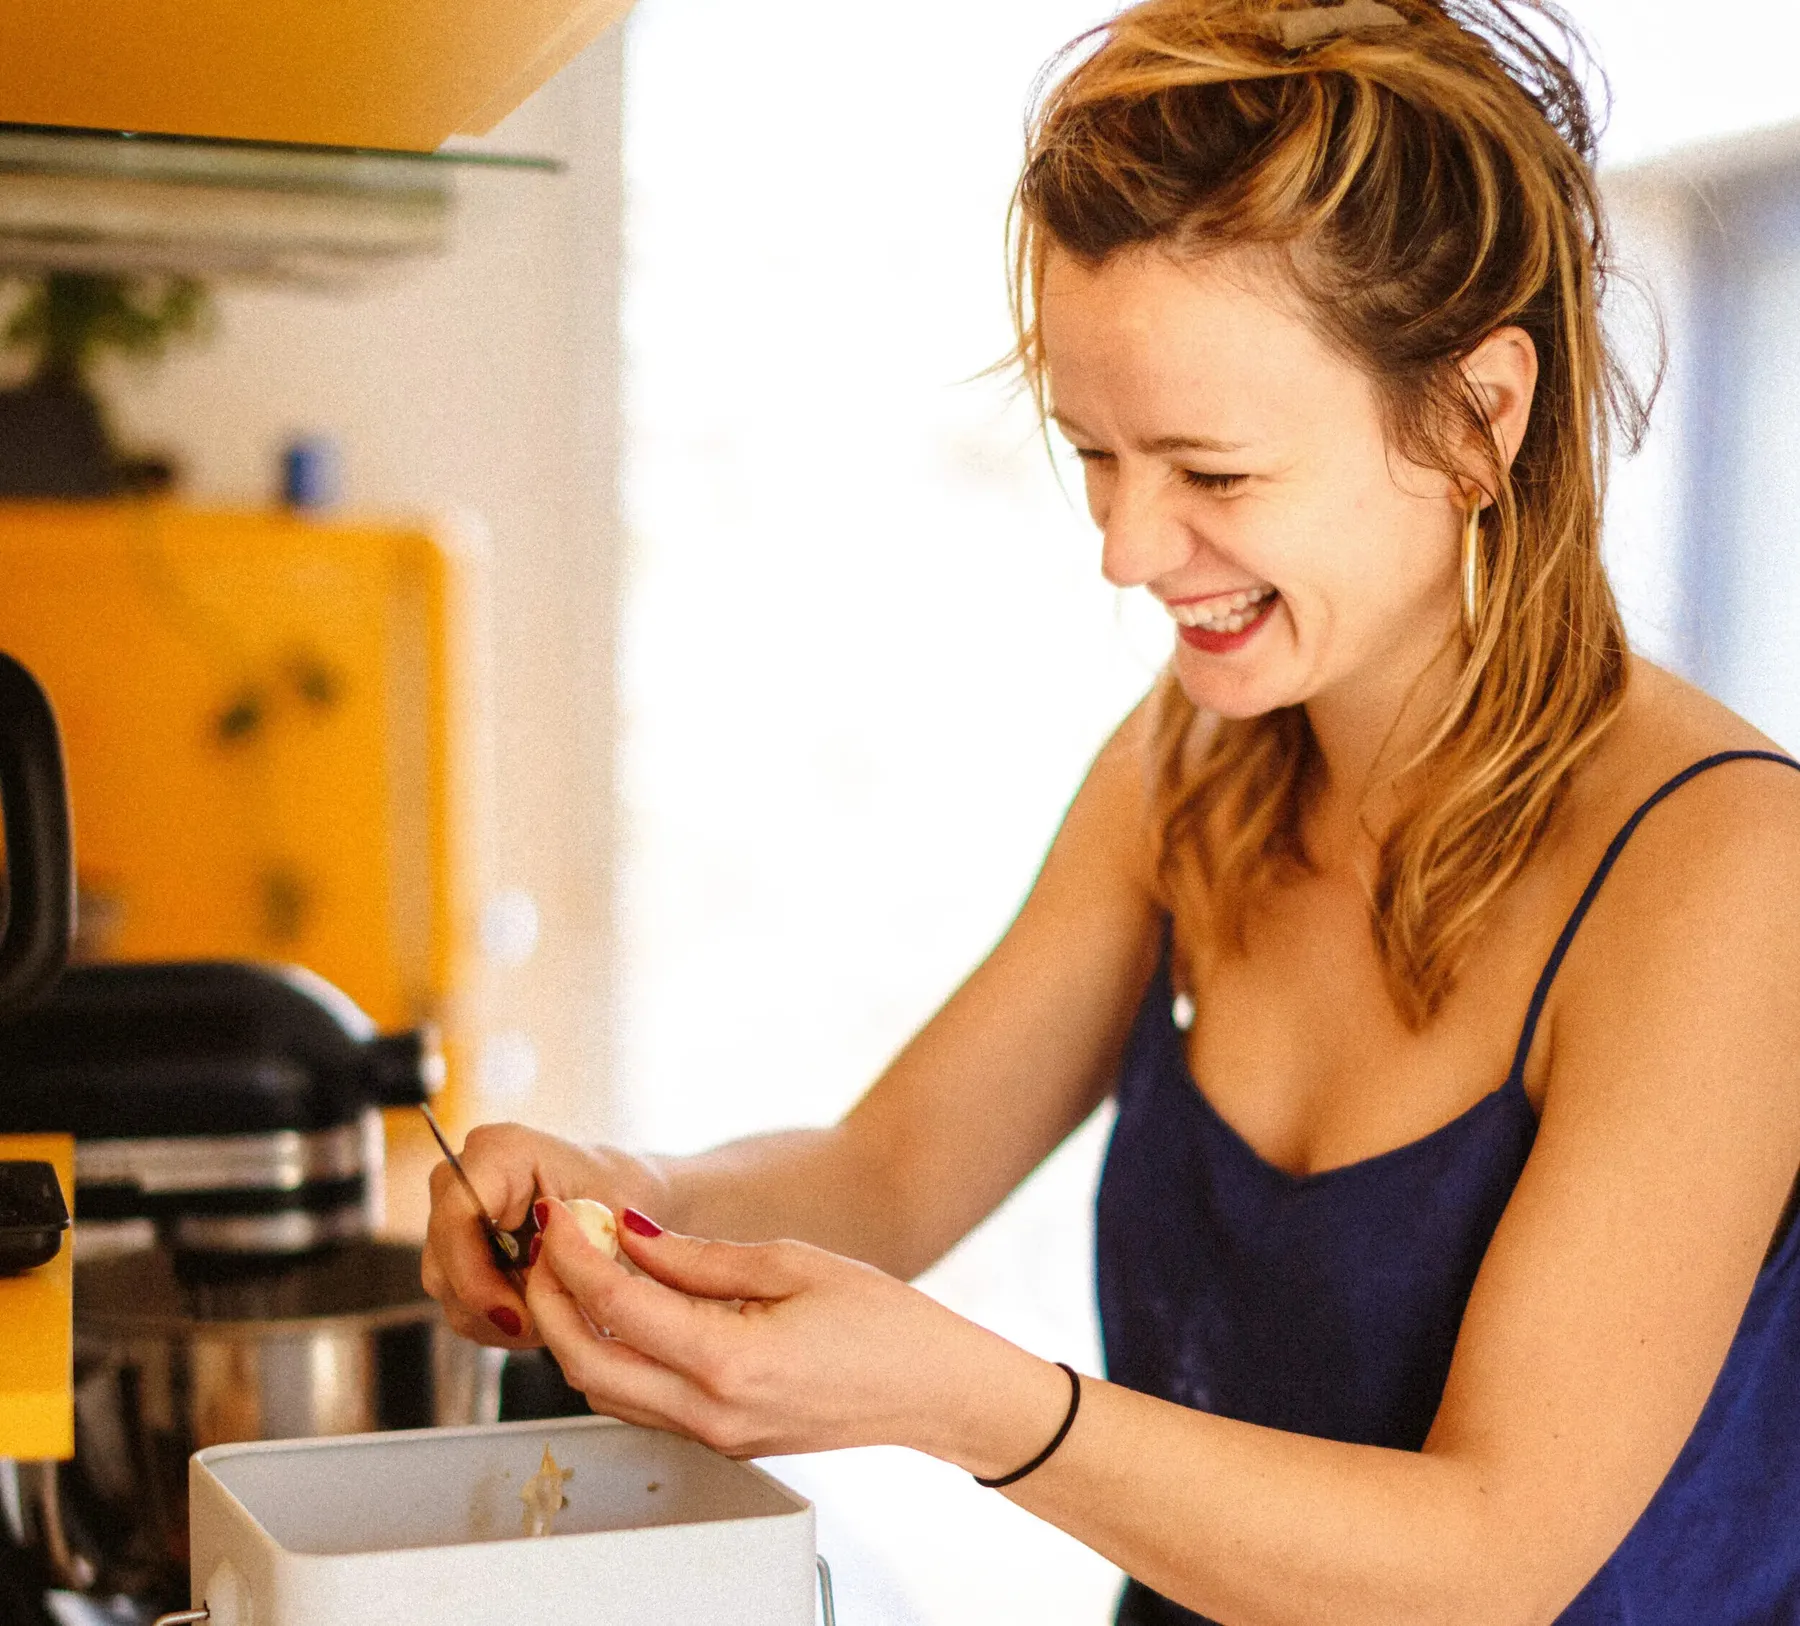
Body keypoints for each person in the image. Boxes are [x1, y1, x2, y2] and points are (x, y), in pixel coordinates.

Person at [422, 2, 1800, 1619]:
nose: (1127, 550)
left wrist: (968, 1402)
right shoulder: (1193, 759)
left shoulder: (1728, 875)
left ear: (1477, 418)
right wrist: (616, 1193)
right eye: (1096, 453)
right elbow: (891, 1169)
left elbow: (1492, 1554)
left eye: (1213, 475)